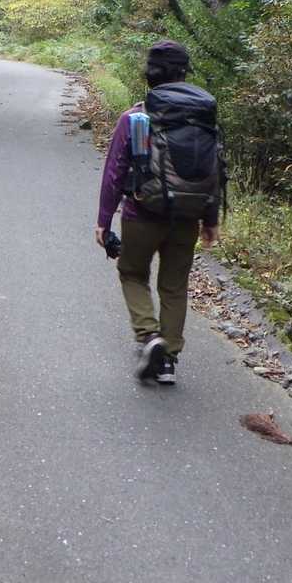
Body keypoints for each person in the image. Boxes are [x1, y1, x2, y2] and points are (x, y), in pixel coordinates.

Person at [95, 40, 222, 386]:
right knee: (174, 285)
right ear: (183, 74)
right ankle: (168, 360)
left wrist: (104, 220)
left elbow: (114, 172)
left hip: (142, 213)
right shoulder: (202, 118)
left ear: (149, 75)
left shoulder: (136, 118)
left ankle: (149, 336)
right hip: (187, 217)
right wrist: (211, 218)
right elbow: (215, 168)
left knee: (132, 273)